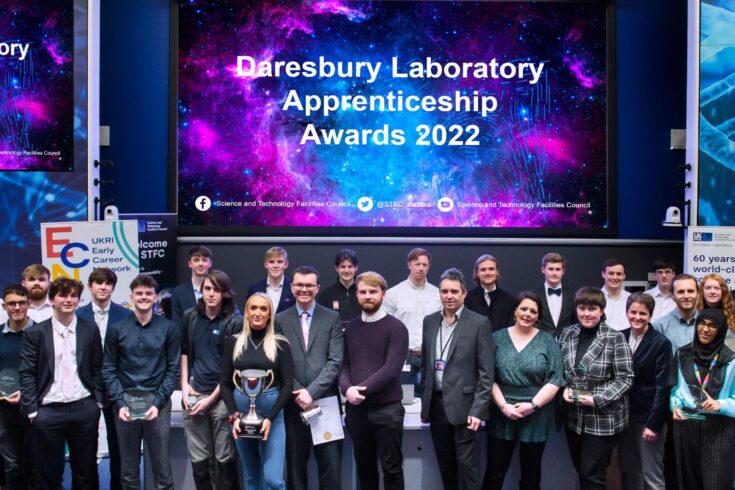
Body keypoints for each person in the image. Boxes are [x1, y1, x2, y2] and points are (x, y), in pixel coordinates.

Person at [19, 277, 103, 490]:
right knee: (48, 473)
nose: (69, 300)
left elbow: (97, 368)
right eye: (63, 295)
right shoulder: (35, 333)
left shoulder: (89, 328)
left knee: (86, 472)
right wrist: (32, 412)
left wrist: (98, 403)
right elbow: (27, 373)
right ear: (52, 300)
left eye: (73, 296)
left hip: (84, 408)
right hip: (48, 412)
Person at [102, 274, 180, 490]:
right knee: (128, 473)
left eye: (148, 293)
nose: (144, 297)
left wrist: (157, 403)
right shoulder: (117, 328)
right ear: (131, 296)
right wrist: (119, 402)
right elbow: (108, 368)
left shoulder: (168, 328)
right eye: (139, 293)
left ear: (155, 298)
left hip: (158, 405)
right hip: (126, 403)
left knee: (163, 472)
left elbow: (173, 370)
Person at [421, 268, 494, 490]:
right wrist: (425, 404)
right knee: (446, 467)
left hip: (466, 409)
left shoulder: (479, 323)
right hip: (436, 406)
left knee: (468, 470)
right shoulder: (430, 321)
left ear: (464, 293)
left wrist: (478, 410)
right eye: (444, 291)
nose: (449, 296)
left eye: (454, 291)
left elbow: (486, 372)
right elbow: (427, 364)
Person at [483, 291, 563, 490]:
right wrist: (503, 406)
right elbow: (488, 376)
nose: (527, 314)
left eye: (533, 311)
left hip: (536, 413)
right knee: (494, 472)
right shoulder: (496, 338)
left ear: (538, 316)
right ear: (515, 312)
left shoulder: (547, 341)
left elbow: (555, 378)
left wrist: (532, 405)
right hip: (502, 411)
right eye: (523, 309)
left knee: (531, 474)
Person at [558, 287, 633, 490]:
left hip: (602, 417)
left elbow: (625, 379)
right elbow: (557, 369)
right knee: (581, 469)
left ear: (601, 310)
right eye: (582, 308)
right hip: (574, 417)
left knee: (593, 475)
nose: (586, 313)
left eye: (592, 309)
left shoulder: (615, 338)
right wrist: (562, 387)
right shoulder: (567, 334)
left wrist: (597, 398)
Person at [276, 266, 343, 490]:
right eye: (299, 285)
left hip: (326, 403)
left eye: (309, 285)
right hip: (293, 405)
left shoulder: (332, 317)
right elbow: (278, 363)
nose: (304, 289)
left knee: (331, 469)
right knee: (295, 468)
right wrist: (299, 392)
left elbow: (335, 361)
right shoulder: (279, 320)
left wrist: (311, 392)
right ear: (292, 287)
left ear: (317, 288)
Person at [339, 272, 408, 490]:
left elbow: (391, 369)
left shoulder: (396, 328)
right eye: (363, 292)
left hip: (387, 411)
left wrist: (358, 390)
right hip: (356, 412)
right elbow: (344, 365)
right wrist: (347, 389)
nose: (367, 296)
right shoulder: (351, 328)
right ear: (357, 294)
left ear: (383, 294)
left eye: (372, 292)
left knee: (392, 469)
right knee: (364, 467)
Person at [220, 293, 294, 489]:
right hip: (241, 415)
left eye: (263, 309)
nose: (258, 313)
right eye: (253, 308)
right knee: (251, 476)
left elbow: (287, 384)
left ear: (270, 314)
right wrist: (234, 416)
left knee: (273, 480)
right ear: (246, 312)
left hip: (273, 417)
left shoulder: (280, 343)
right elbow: (225, 382)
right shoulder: (233, 342)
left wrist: (270, 418)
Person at [180, 270, 241, 489]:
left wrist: (212, 399)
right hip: (195, 393)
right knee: (199, 458)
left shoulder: (235, 321)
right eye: (207, 288)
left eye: (217, 289)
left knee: (224, 458)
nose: (211, 294)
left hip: (222, 398)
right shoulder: (191, 317)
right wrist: (185, 387)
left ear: (225, 293)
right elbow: (185, 353)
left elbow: (233, 367)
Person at [75, 268, 133, 490]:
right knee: (86, 446)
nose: (103, 287)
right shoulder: (78, 315)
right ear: (89, 286)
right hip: (85, 389)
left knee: (119, 444)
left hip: (117, 388)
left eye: (108, 283)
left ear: (113, 287)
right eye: (98, 282)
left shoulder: (125, 315)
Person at [670, 309, 735, 489]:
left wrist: (720, 404)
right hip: (686, 427)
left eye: (713, 325)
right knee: (688, 482)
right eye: (702, 323)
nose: (705, 329)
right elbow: (676, 389)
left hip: (718, 431)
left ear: (721, 330)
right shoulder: (683, 354)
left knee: (715, 483)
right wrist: (674, 405)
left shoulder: (731, 360)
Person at [618, 293, 672, 490]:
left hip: (649, 418)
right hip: (624, 417)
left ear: (650, 315)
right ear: (626, 313)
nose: (637, 317)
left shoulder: (661, 343)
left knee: (652, 474)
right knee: (631, 471)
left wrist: (654, 424)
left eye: (643, 313)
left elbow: (663, 386)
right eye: (633, 312)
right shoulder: (619, 337)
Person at [382, 248, 442, 394]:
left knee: (430, 399)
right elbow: (385, 326)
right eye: (417, 264)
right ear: (409, 265)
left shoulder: (438, 294)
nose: (421, 268)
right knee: (404, 399)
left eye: (424, 264)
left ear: (429, 267)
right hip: (404, 357)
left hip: (430, 356)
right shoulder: (394, 293)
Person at [0, 285, 34, 490]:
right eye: (12, 303)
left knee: (36, 463)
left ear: (29, 304)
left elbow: (48, 371)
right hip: (4, 411)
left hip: (34, 408)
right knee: (11, 465)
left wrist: (27, 393)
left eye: (21, 302)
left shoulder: (42, 332)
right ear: (4, 306)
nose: (17, 307)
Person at [463, 254, 516, 331]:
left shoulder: (510, 300)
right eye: (483, 269)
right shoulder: (467, 299)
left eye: (491, 269)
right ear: (477, 273)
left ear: (497, 272)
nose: (487, 273)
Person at [653, 273, 699, 354]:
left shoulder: (707, 323)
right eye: (681, 292)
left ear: (698, 294)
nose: (686, 296)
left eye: (690, 291)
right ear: (672, 295)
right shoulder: (659, 326)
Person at [534, 253, 576, 338]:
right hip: (541, 343)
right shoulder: (534, 296)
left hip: (567, 343)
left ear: (563, 271)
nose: (554, 273)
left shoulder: (573, 295)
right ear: (543, 270)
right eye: (550, 269)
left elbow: (576, 322)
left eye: (558, 269)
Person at [316, 249, 361, 326]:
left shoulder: (363, 292)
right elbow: (319, 321)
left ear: (356, 268)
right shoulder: (326, 294)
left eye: (350, 266)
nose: (346, 270)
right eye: (343, 267)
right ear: (336, 268)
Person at [171, 245, 213, 329]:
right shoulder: (178, 293)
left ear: (210, 263)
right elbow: (177, 327)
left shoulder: (219, 289)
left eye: (204, 260)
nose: (200, 264)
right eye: (196, 260)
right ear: (190, 263)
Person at [246, 247, 295, 313]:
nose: (275, 265)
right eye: (271, 262)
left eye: (279, 262)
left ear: (286, 264)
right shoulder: (255, 288)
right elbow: (248, 313)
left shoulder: (293, 288)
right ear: (266, 264)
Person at [697, 273, 735, 350]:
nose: (712, 291)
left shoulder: (732, 314)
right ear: (702, 291)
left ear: (723, 291)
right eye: (708, 288)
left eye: (716, 288)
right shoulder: (696, 313)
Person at [600, 259, 630, 331]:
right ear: (603, 274)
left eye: (619, 274)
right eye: (611, 273)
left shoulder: (631, 298)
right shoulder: (594, 298)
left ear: (624, 276)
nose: (615, 277)